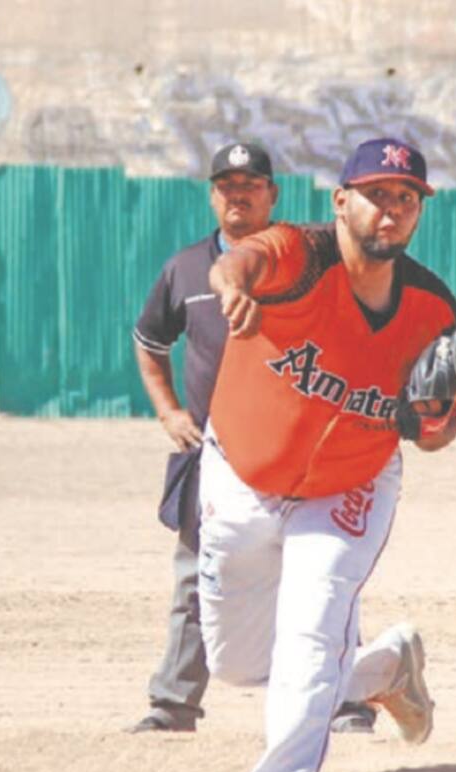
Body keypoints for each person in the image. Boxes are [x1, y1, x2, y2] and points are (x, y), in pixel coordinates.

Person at [200, 137, 456, 772]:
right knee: (238, 665)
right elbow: (237, 262)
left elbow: (436, 436)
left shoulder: (432, 309)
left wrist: (435, 423)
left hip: (350, 484)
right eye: (376, 195)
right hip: (241, 472)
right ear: (341, 201)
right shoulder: (298, 253)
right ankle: (385, 669)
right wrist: (233, 286)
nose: (391, 209)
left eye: (406, 198)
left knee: (312, 630)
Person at [128, 142, 378, 735]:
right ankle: (173, 705)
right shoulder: (186, 269)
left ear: (273, 194)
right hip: (217, 454)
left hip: (300, 448)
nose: (237, 195)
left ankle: (347, 702)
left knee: (321, 575)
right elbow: (150, 341)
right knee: (198, 576)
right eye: (226, 186)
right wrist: (168, 412)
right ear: (212, 195)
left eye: (251, 185)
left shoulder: (309, 260)